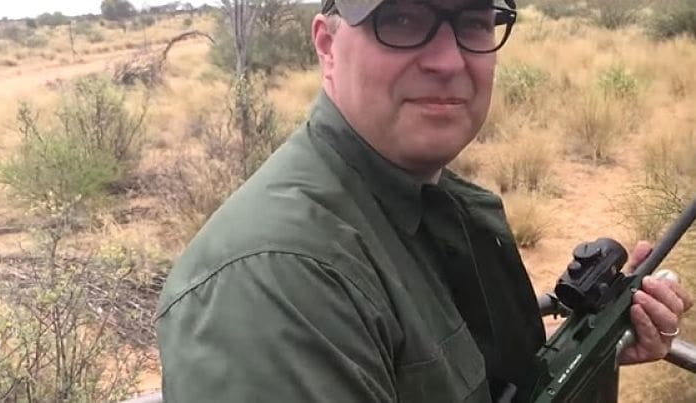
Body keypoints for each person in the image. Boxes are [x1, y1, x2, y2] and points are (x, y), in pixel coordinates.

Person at [156, 0, 693, 401]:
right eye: (402, 19)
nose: (446, 59)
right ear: (326, 45)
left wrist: (595, 349)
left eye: (473, 22)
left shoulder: (446, 204)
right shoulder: (272, 281)